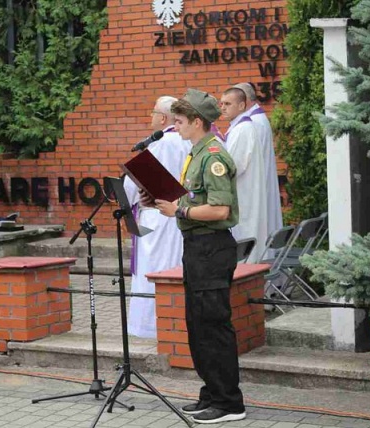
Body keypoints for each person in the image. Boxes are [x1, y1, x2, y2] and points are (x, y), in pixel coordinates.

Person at [149, 88, 246, 424]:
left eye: (179, 121)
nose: (175, 126)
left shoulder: (213, 156)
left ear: (196, 121)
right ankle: (212, 393)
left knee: (213, 326)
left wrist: (180, 211)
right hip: (197, 247)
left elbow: (220, 210)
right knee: (198, 325)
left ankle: (229, 402)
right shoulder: (197, 152)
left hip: (211, 247)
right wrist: (165, 202)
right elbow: (193, 198)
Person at [123, 96, 191, 339]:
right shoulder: (189, 141)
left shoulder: (161, 144)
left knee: (153, 272)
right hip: (182, 216)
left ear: (163, 118)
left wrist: (127, 198)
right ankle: (177, 322)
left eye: (153, 113)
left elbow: (131, 186)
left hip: (157, 218)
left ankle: (150, 327)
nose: (150, 117)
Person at [220, 87, 268, 263]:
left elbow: (231, 166)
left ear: (241, 105)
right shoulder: (240, 128)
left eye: (228, 104)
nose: (223, 108)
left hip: (243, 197)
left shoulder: (242, 129)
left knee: (244, 247)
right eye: (221, 104)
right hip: (245, 195)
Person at [233, 83, 283, 243]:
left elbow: (236, 164)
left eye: (230, 102)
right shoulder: (257, 119)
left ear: (244, 102)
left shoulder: (251, 124)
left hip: (250, 189)